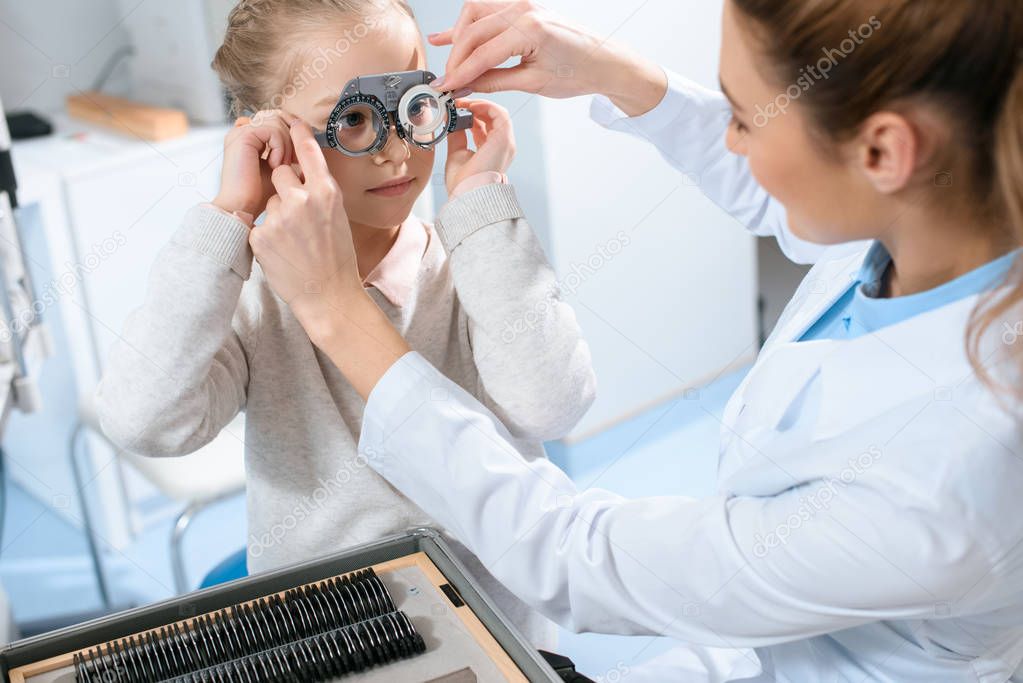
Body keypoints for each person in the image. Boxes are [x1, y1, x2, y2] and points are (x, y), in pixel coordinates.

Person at [241, 0, 1023, 680]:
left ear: (884, 152)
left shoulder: (952, 479)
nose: (735, 145)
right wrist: (612, 73)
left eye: (743, 117)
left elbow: (574, 555)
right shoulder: (938, 221)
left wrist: (339, 312)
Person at [93, 0, 598, 650]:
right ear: (266, 136)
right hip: (326, 628)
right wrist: (229, 215)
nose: (394, 151)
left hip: (488, 621)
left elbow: (551, 405)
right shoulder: (248, 294)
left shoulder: (475, 258)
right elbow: (145, 420)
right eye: (353, 118)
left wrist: (478, 197)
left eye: (414, 105)